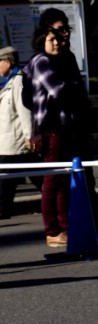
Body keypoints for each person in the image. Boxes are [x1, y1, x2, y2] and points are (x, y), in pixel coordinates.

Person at [24, 27, 92, 247]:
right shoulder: (40, 61)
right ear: (41, 41)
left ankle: (64, 228)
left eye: (59, 40)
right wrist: (73, 86)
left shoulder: (59, 61)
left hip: (64, 127)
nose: (57, 43)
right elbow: (58, 90)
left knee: (62, 179)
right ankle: (52, 230)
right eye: (51, 39)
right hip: (51, 127)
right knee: (52, 180)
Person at [0, 47, 40, 220]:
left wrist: (28, 135)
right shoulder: (5, 82)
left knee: (7, 179)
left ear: (8, 63)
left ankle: (2, 208)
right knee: (12, 178)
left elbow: (24, 111)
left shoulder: (18, 82)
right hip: (8, 141)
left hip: (16, 141)